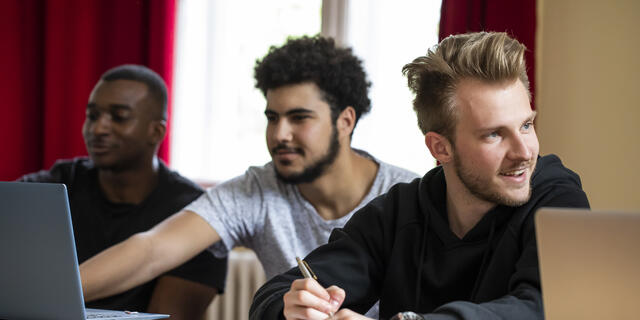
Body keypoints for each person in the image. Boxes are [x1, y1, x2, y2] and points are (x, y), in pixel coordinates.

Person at [249, 32, 591, 320]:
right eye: (494, 134)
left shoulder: (557, 199)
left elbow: (545, 308)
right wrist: (294, 307)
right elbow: (274, 294)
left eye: (526, 125)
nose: (524, 151)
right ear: (440, 148)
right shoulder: (399, 212)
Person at [78, 36, 418, 317]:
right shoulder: (257, 189)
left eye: (299, 118)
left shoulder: (407, 195)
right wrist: (50, 291)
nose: (280, 134)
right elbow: (152, 249)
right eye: (272, 117)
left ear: (346, 121)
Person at [18, 64, 227, 320]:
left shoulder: (197, 214)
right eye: (93, 115)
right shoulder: (60, 182)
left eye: (119, 117)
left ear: (156, 132)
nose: (98, 128)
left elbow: (168, 316)